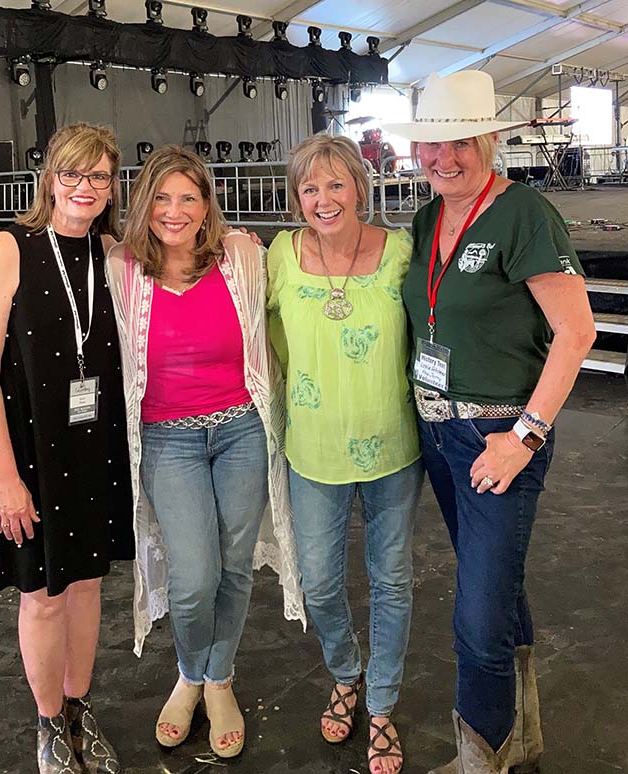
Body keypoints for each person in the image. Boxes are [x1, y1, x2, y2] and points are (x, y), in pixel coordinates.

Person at [385, 70, 597, 773]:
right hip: (438, 433)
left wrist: (526, 437)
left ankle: (480, 759)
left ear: (489, 142)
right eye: (432, 144)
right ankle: (519, 741)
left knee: (477, 617)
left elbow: (577, 333)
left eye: (460, 143)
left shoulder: (524, 213)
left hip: (498, 435)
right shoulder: (427, 218)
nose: (443, 158)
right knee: (497, 588)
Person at [106, 145, 305, 759]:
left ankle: (217, 680)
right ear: (144, 204)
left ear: (206, 204)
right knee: (194, 578)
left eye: (188, 197)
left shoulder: (242, 255)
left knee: (235, 566)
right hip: (168, 438)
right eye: (162, 198)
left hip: (242, 430)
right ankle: (190, 673)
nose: (175, 211)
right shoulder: (121, 268)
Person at [0, 122, 133, 774]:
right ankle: (48, 722)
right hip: (28, 450)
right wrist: (4, 479)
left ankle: (78, 705)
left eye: (99, 176)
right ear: (51, 179)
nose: (84, 187)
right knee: (43, 594)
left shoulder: (109, 252)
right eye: (73, 173)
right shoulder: (9, 249)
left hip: (93, 445)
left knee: (87, 585)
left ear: (111, 186)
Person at [267, 134, 424, 774]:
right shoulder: (280, 254)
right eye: (310, 188)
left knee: (392, 580)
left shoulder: (401, 253)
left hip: (394, 448)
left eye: (336, 184)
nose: (324, 199)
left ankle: (381, 704)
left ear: (361, 186)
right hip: (312, 450)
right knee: (319, 580)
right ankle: (345, 670)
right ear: (296, 197)